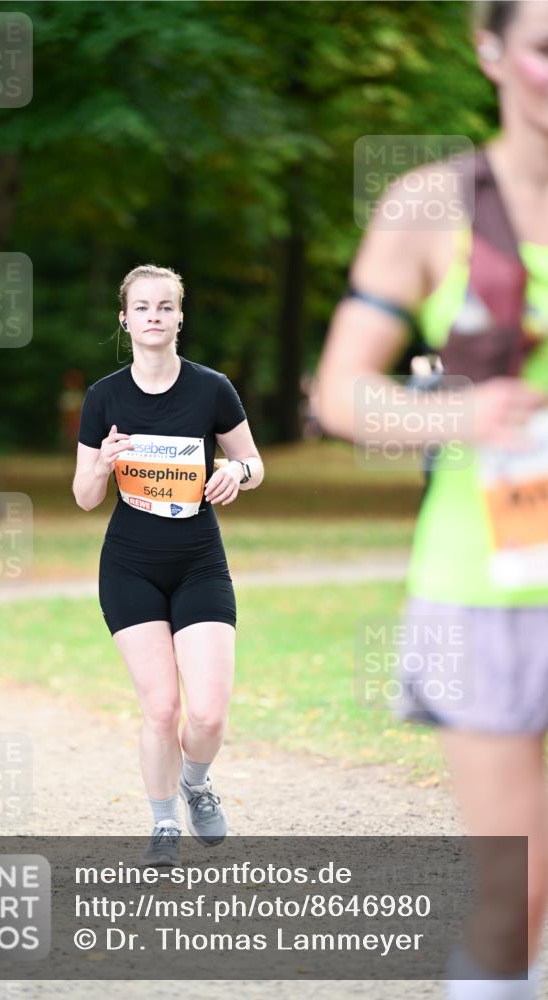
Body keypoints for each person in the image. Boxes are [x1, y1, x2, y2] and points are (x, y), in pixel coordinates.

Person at [314, 2, 547, 997]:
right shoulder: (431, 206)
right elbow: (339, 394)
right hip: (487, 586)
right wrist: (460, 413)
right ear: (489, 50)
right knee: (515, 895)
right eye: (545, 49)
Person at [72, 264, 263, 865]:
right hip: (129, 565)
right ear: (124, 320)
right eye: (142, 307)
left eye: (165, 306)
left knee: (207, 714)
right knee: (161, 709)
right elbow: (84, 496)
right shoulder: (104, 397)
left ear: (180, 318)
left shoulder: (212, 389)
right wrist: (101, 464)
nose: (154, 316)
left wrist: (236, 472)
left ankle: (196, 784)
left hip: (199, 561)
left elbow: (254, 463)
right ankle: (162, 824)